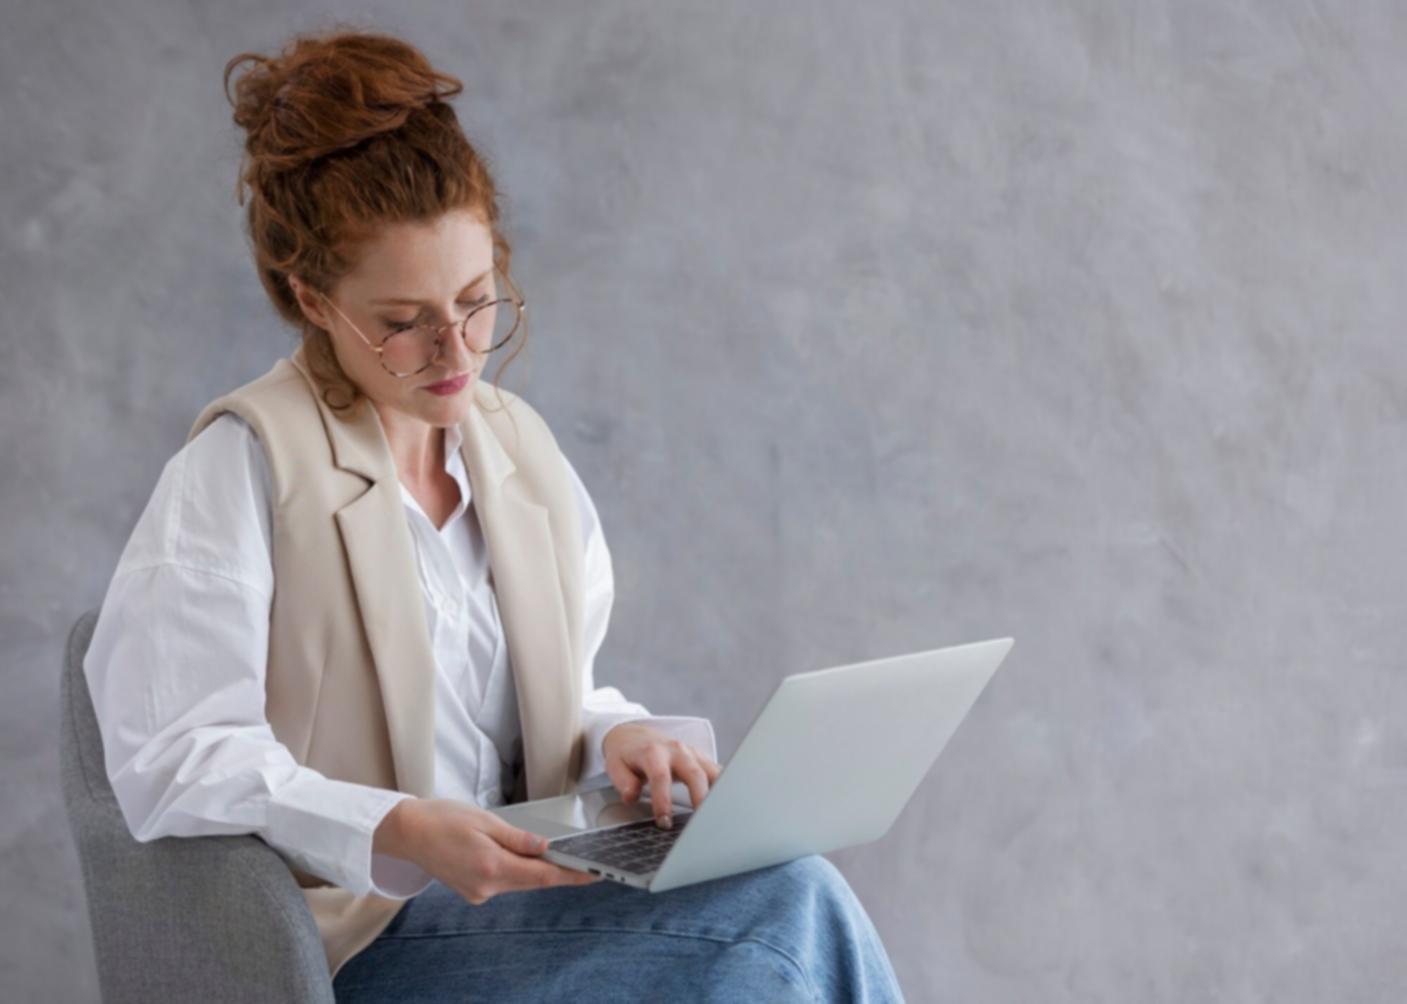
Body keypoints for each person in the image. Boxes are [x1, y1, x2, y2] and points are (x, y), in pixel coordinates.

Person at [82, 27, 905, 1002]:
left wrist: (619, 738)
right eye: (401, 322)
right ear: (311, 297)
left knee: (783, 890)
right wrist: (395, 826)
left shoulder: (518, 451)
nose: (454, 349)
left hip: (530, 900)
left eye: (477, 301)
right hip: (359, 937)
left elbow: (542, 699)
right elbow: (171, 754)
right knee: (773, 926)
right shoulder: (245, 465)